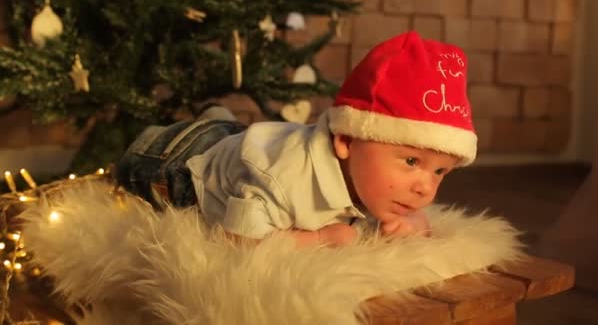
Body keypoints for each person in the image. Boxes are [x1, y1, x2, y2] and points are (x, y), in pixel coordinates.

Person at [117, 31, 478, 247]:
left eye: (440, 172)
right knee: (208, 159)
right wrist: (320, 240)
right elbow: (237, 242)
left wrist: (416, 224)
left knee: (236, 140)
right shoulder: (285, 180)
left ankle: (219, 124)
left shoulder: (376, 179)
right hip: (172, 162)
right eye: (412, 162)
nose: (425, 189)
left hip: (246, 143)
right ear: (346, 142)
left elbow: (399, 214)